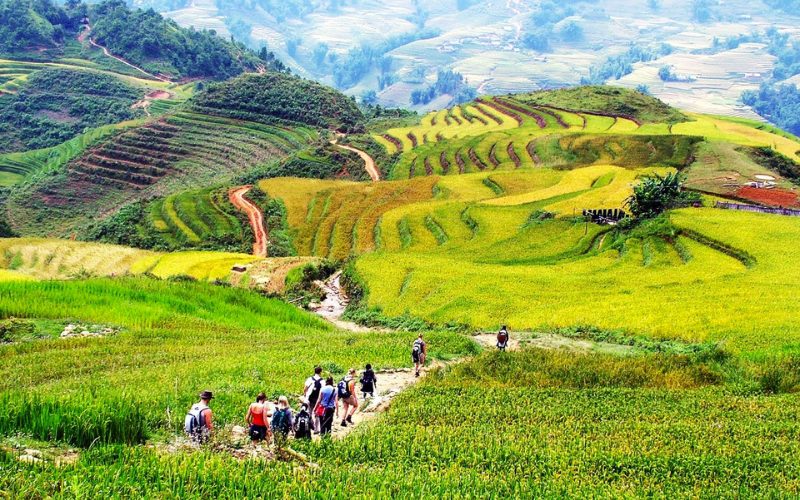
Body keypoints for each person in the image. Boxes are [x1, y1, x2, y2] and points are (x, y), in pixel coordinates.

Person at [303, 366, 324, 433]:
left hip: (309, 398)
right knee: (317, 414)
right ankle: (316, 429)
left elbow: (305, 388)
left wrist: (305, 394)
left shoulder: (310, 379)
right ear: (320, 372)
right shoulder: (322, 381)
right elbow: (322, 391)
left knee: (309, 412)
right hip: (317, 400)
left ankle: (308, 426)